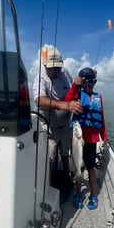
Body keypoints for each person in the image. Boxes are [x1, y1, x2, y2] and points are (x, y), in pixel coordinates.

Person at [33, 46, 82, 180]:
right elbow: (39, 100)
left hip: (65, 123)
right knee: (50, 155)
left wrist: (78, 86)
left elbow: (72, 92)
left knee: (66, 152)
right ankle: (48, 182)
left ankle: (67, 177)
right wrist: (65, 105)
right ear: (45, 65)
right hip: (49, 126)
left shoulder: (65, 73)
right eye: (51, 68)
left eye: (58, 68)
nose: (55, 71)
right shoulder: (40, 78)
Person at [65, 67, 108, 210]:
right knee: (79, 166)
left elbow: (101, 117)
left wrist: (104, 136)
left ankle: (93, 195)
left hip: (92, 139)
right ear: (81, 82)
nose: (87, 84)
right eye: (84, 82)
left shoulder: (98, 97)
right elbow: (67, 100)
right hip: (78, 138)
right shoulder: (77, 94)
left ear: (94, 82)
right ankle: (78, 192)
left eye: (91, 81)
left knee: (90, 167)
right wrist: (74, 86)